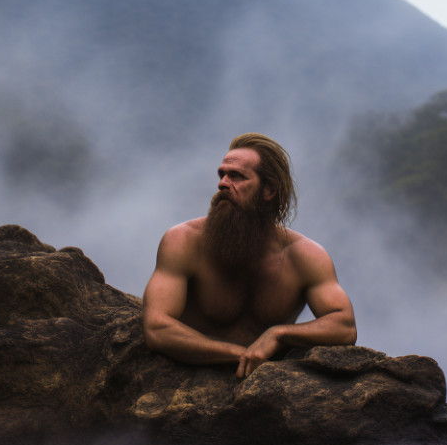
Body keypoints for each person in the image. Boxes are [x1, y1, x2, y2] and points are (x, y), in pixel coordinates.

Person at [142, 133, 357, 378]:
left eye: (236, 176)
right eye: (221, 174)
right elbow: (157, 328)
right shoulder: (184, 241)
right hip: (183, 379)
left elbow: (345, 325)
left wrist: (278, 334)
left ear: (268, 190)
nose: (223, 183)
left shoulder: (304, 256)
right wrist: (240, 354)